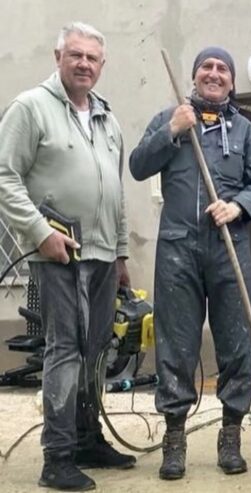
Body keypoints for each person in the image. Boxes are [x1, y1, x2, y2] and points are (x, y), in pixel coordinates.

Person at [0, 22, 134, 491]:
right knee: (65, 350)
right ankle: (56, 457)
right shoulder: (30, 108)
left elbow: (115, 194)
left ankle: (87, 438)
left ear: (102, 65)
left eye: (91, 58)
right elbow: (4, 176)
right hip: (56, 254)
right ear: (58, 56)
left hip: (100, 258)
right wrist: (39, 233)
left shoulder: (107, 119)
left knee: (96, 349)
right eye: (75, 54)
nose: (83, 64)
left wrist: (120, 254)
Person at [129, 47, 251, 479]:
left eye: (222, 69)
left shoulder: (246, 130)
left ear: (232, 80)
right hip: (177, 247)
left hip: (229, 245)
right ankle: (174, 440)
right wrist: (171, 130)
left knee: (236, 341)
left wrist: (239, 207)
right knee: (175, 343)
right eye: (206, 67)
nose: (214, 73)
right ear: (194, 77)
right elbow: (138, 166)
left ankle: (231, 435)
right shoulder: (170, 117)